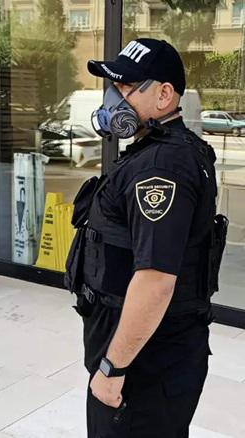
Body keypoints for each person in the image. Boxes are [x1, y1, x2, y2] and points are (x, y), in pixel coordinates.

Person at [64, 38, 228, 437]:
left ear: (164, 95)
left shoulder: (161, 166)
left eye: (125, 88)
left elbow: (156, 281)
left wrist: (112, 368)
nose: (112, 99)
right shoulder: (158, 151)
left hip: (143, 365)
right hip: (147, 354)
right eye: (113, 87)